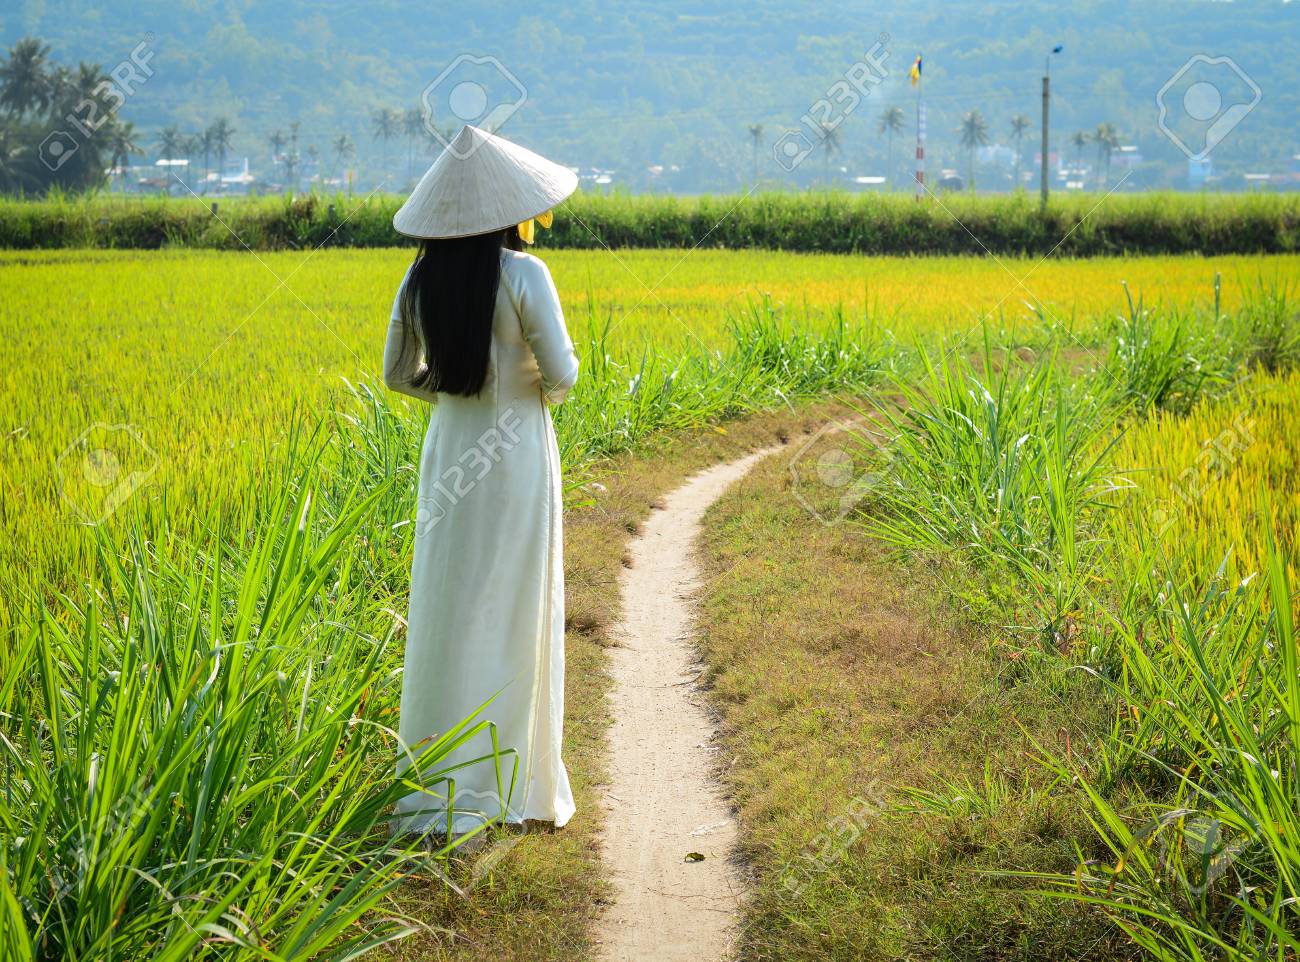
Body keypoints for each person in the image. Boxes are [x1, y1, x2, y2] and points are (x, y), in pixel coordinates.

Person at [384, 125, 580, 838]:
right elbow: (562, 375)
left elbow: (396, 374)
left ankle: (437, 778)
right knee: (515, 602)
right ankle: (510, 780)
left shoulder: (419, 280)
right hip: (517, 452)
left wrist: (453, 394)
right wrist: (521, 395)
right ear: (507, 208)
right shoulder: (526, 275)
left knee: (450, 601)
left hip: (451, 450)